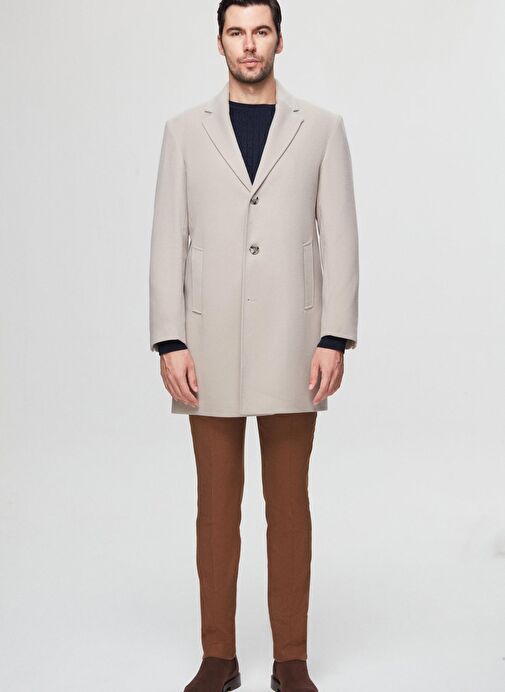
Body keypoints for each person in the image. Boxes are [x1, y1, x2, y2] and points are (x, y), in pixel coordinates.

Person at [148, 1, 359, 689]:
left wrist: (333, 336)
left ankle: (290, 657)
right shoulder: (184, 131)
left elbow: (340, 235)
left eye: (260, 31)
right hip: (206, 344)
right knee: (215, 509)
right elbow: (167, 237)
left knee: (289, 506)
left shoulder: (320, 128)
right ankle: (219, 656)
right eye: (236, 32)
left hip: (295, 343)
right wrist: (170, 339)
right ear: (219, 43)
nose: (249, 44)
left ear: (278, 40)